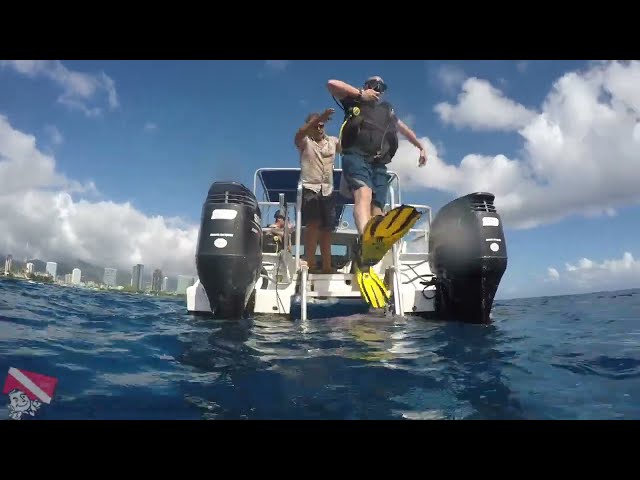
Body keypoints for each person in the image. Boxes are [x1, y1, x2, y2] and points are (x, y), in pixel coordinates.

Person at [326, 75, 427, 235]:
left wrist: (420, 146)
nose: (378, 89)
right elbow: (332, 84)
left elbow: (404, 129)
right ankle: (365, 236)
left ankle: (377, 240)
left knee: (378, 206)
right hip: (355, 156)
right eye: (374, 85)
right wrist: (361, 94)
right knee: (364, 193)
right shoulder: (354, 99)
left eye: (382, 87)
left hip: (378, 162)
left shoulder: (386, 110)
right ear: (366, 85)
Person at [294, 109, 340, 273]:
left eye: (322, 125)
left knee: (327, 228)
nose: (319, 128)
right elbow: (300, 133)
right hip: (310, 187)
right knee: (313, 224)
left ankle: (327, 266)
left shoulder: (333, 141)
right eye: (316, 125)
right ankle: (310, 262)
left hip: (328, 189)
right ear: (310, 127)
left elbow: (348, 146)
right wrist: (319, 118)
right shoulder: (304, 142)